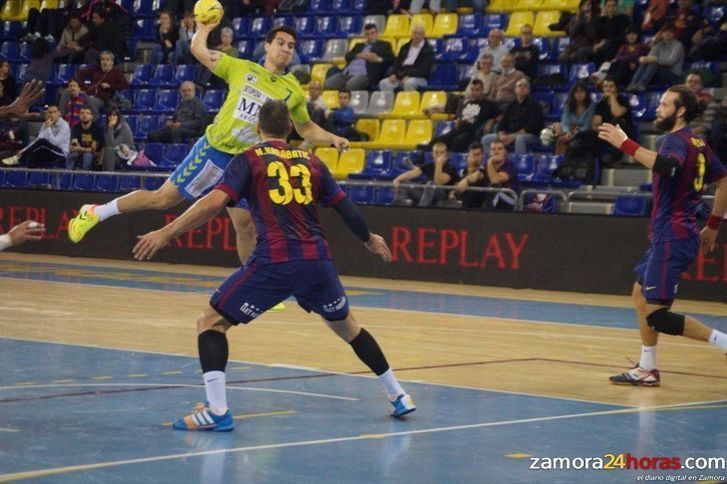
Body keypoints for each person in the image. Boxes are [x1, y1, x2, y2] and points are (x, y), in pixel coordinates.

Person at [132, 100, 415, 431]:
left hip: (276, 261)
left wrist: (167, 233)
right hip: (317, 262)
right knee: (348, 327)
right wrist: (368, 238)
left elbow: (212, 204)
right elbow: (346, 209)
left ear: (257, 130)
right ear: (291, 130)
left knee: (210, 322)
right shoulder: (312, 161)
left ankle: (217, 411)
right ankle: (399, 395)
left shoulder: (249, 160)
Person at [67, 24, 349, 270]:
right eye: (280, 43)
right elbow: (199, 50)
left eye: (291, 46)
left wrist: (332, 138)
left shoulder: (292, 90)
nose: (286, 49)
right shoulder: (241, 67)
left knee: (245, 224)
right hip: (215, 150)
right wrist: (204, 26)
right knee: (162, 199)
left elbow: (304, 127)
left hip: (249, 161)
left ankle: (251, 279)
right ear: (267, 46)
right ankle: (95, 212)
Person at [598, 84, 727, 387]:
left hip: (673, 235)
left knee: (657, 315)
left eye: (666, 104)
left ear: (680, 111)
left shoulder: (675, 141)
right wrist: (713, 225)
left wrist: (625, 143)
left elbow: (668, 168)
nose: (658, 108)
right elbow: (723, 180)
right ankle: (647, 368)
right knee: (639, 294)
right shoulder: (698, 143)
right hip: (673, 233)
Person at [427, 79, 500, 153]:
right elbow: (455, 113)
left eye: (477, 90)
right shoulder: (465, 102)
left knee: (457, 142)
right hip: (458, 130)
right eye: (472, 90)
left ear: (482, 90)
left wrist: (491, 120)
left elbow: (500, 117)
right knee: (434, 142)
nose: (474, 92)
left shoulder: (489, 104)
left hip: (473, 132)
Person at [324, 23, 394, 91]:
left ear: (377, 33)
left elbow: (392, 59)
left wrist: (378, 59)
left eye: (372, 33)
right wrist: (358, 55)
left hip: (365, 74)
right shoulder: (359, 45)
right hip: (347, 73)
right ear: (365, 35)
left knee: (350, 86)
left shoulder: (384, 45)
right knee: (327, 84)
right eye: (367, 34)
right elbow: (347, 56)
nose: (370, 36)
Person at [481, 78, 543, 154]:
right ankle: (491, 162)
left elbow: (533, 126)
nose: (522, 87)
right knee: (486, 139)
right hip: (510, 134)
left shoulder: (535, 105)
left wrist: (513, 136)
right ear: (515, 90)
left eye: (525, 86)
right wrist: (501, 136)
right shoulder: (511, 106)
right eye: (519, 86)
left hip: (529, 135)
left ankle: (520, 163)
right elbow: (502, 124)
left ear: (529, 90)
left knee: (520, 139)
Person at [453, 139, 520, 210]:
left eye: (500, 149)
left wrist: (490, 162)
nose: (496, 152)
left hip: (510, 198)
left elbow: (495, 180)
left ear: (504, 152)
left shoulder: (509, 165)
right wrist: (465, 180)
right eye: (493, 149)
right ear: (490, 152)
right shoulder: (486, 165)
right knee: (473, 185)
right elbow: (476, 175)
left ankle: (485, 216)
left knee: (494, 188)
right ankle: (465, 213)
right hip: (495, 199)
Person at [1, 104, 70, 168]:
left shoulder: (64, 126)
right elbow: (38, 139)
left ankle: (18, 158)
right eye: (50, 112)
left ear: (59, 113)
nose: (52, 115)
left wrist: (48, 128)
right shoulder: (45, 124)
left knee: (42, 142)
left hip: (61, 154)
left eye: (54, 112)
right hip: (48, 150)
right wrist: (23, 150)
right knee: (35, 153)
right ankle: (26, 174)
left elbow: (55, 143)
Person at [393, 142, 459, 207]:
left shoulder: (450, 168)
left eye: (441, 152)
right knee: (402, 181)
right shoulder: (429, 165)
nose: (439, 155)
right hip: (426, 192)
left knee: (431, 184)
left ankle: (421, 209)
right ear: (433, 154)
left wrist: (439, 164)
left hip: (441, 195)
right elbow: (411, 174)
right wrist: (396, 180)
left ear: (445, 154)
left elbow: (438, 182)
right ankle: (399, 206)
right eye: (436, 152)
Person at [626, 22, 684, 93]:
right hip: (658, 72)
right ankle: (633, 83)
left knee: (654, 62)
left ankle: (642, 84)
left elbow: (670, 62)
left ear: (674, 33)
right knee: (647, 61)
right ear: (662, 33)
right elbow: (650, 57)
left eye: (670, 32)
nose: (667, 34)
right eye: (665, 32)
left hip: (673, 74)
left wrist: (656, 59)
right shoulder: (659, 44)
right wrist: (644, 59)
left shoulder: (678, 45)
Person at [378, 24, 434, 92]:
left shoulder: (428, 50)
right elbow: (397, 63)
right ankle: (391, 102)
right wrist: (394, 74)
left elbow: (424, 69)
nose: (417, 36)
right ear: (412, 34)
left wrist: (409, 75)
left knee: (409, 83)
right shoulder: (404, 47)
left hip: (419, 77)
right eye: (415, 33)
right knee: (384, 83)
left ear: (423, 35)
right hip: (401, 75)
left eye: (419, 34)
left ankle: (410, 102)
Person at [552, 81, 596, 155]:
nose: (579, 94)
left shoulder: (591, 106)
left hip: (584, 134)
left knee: (573, 142)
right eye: (577, 92)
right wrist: (568, 132)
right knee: (559, 139)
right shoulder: (568, 106)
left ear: (586, 93)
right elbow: (565, 123)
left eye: (582, 91)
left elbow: (587, 125)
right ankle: (560, 162)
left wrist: (575, 134)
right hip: (569, 132)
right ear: (573, 94)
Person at [66, 106, 104, 171]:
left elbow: (93, 149)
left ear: (92, 116)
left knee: (87, 156)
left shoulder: (97, 129)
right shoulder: (76, 128)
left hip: (95, 155)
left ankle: (85, 177)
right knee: (71, 155)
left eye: (87, 113)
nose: (84, 115)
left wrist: (80, 148)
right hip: (79, 152)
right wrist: (82, 149)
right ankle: (68, 175)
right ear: (79, 116)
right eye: (82, 113)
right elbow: (73, 146)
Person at [102, 106, 135, 171]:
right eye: (110, 116)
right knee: (106, 152)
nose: (112, 118)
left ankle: (109, 175)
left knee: (109, 151)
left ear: (118, 117)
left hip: (126, 153)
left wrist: (110, 128)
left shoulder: (124, 127)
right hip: (114, 152)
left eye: (114, 115)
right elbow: (108, 144)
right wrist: (109, 128)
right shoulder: (106, 127)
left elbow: (112, 144)